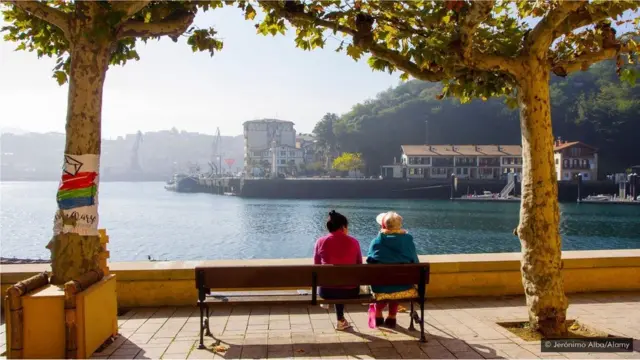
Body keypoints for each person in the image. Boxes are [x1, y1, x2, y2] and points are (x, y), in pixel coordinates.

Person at [366, 211, 420, 328]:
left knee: (384, 281)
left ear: (384, 225)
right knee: (397, 281)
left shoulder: (376, 242)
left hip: (380, 287)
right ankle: (392, 316)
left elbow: (369, 262)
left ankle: (378, 313)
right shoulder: (408, 240)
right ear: (400, 225)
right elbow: (415, 262)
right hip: (404, 286)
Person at [313, 210, 362, 330]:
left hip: (326, 291)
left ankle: (340, 319)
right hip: (350, 291)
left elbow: (317, 265)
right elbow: (359, 264)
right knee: (342, 282)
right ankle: (340, 321)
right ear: (343, 226)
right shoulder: (354, 242)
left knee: (335, 282)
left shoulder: (321, 241)